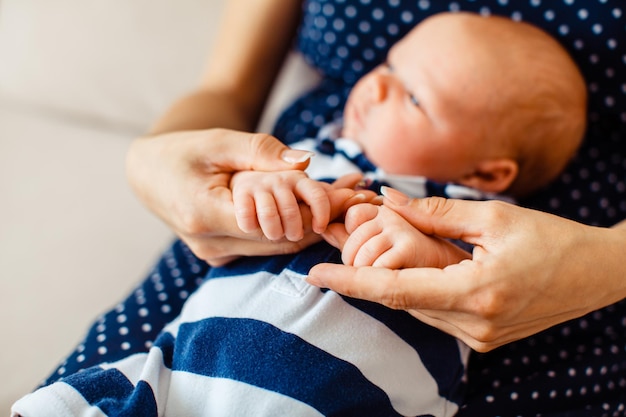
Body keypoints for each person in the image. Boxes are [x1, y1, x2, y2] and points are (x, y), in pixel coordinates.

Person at [31, 1, 626, 416]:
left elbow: (458, 270)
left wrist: (417, 254)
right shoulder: (303, 157)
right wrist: (241, 189)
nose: (374, 86)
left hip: (338, 395)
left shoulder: (479, 211)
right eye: (389, 67)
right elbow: (227, 89)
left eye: (414, 97)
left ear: (486, 172)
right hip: (185, 362)